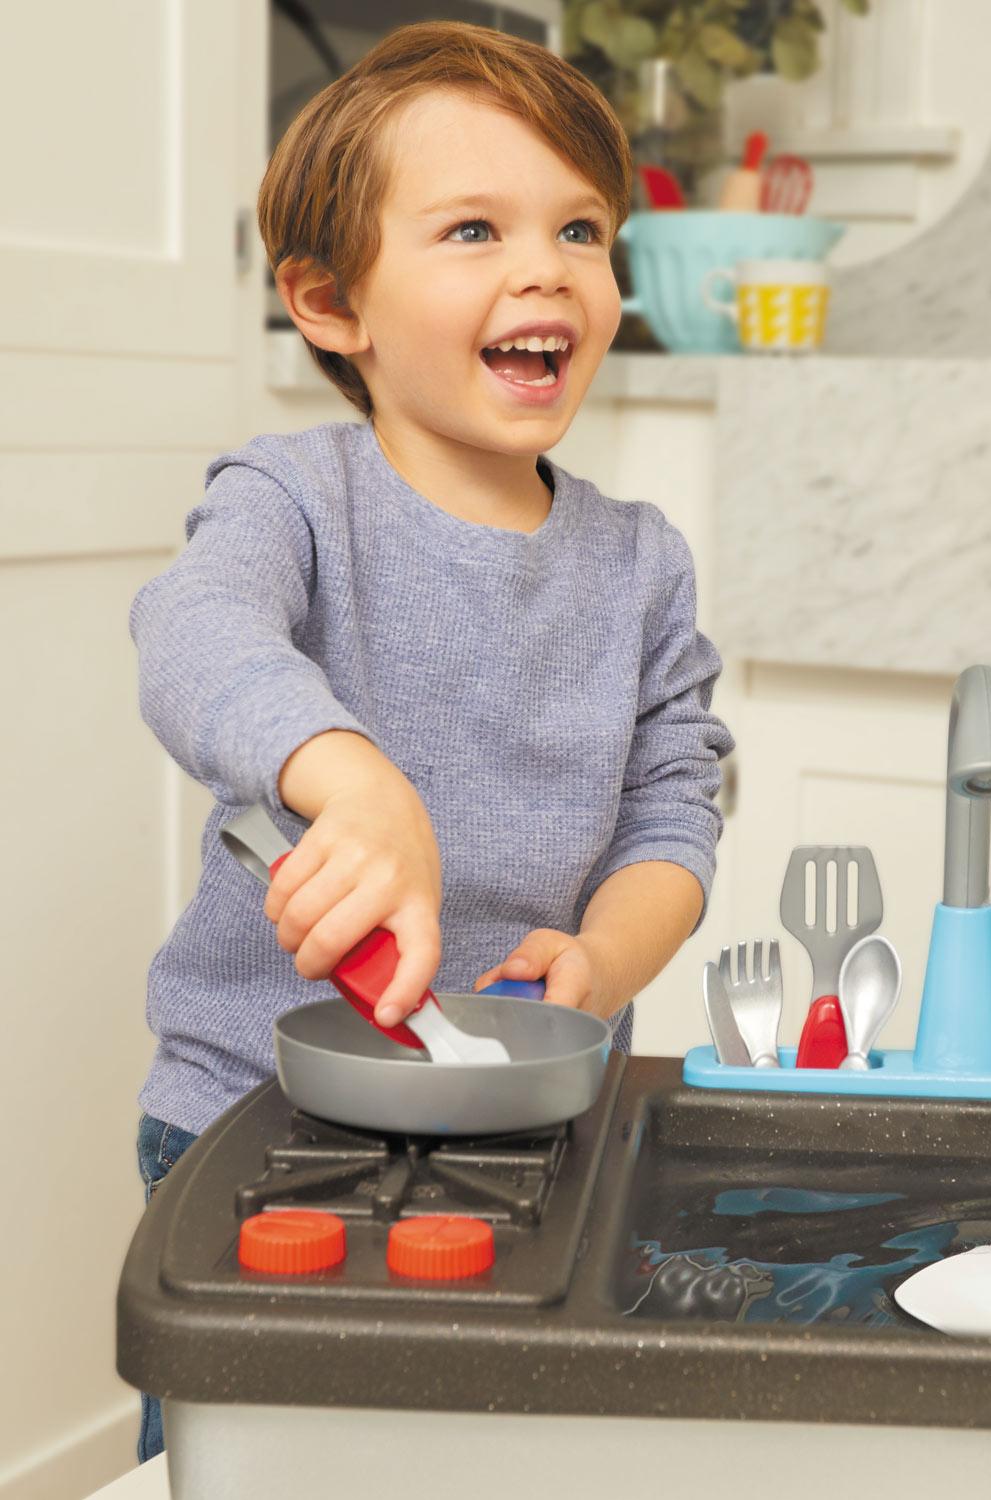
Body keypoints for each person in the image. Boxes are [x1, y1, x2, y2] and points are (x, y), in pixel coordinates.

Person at [129, 20, 733, 1462]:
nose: (548, 269)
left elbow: (676, 808)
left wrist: (605, 963)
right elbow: (191, 632)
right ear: (331, 302)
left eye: (581, 229)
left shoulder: (641, 563)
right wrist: (355, 780)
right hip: (258, 1117)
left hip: (542, 1132)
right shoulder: (291, 498)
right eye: (474, 229)